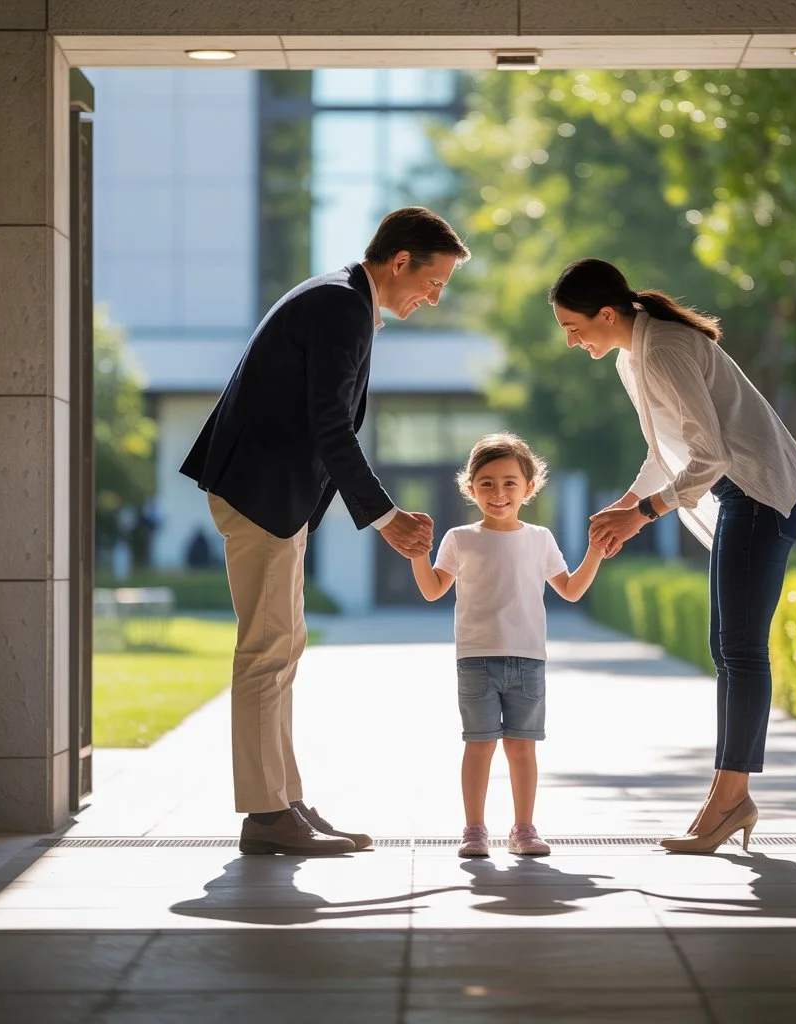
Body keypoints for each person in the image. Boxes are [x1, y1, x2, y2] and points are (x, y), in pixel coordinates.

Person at [180, 207, 470, 857]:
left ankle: (284, 802)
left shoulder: (342, 299)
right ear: (401, 262)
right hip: (260, 494)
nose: (434, 298)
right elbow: (330, 425)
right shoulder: (341, 305)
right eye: (434, 282)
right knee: (267, 652)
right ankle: (266, 813)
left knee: (281, 649)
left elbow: (321, 421)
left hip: (268, 495)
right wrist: (387, 517)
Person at [549, 258, 796, 854]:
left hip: (759, 494)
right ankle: (728, 797)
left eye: (574, 327)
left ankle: (730, 799)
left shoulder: (665, 348)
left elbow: (711, 455)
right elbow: (665, 451)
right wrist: (627, 506)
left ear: (607, 314)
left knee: (740, 652)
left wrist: (644, 514)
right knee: (729, 650)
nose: (571, 341)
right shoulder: (631, 356)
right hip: (741, 496)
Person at [410, 432, 605, 858]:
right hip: (476, 660)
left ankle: (524, 829)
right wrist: (416, 553)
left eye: (509, 483)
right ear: (470, 487)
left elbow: (571, 589)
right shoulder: (460, 538)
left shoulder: (540, 539)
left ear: (529, 487)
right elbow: (432, 589)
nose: (498, 493)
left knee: (521, 747)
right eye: (487, 483)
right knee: (479, 745)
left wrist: (594, 552)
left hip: (529, 660)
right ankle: (474, 830)